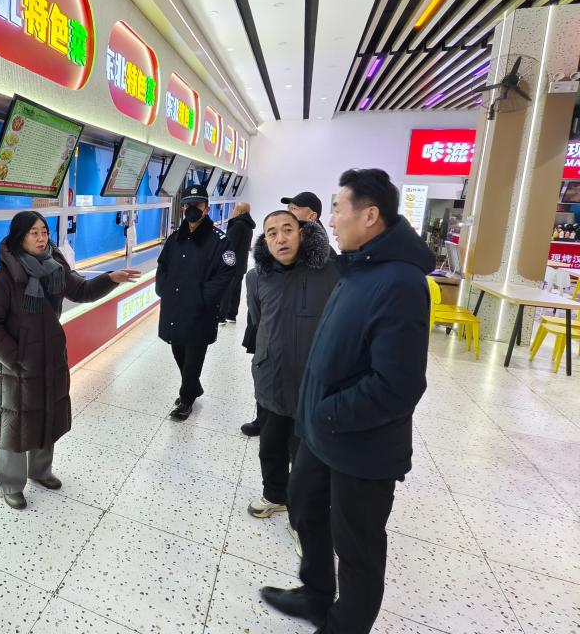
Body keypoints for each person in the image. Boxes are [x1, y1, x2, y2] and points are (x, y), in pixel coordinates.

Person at [261, 169, 435, 634]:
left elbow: (399, 385)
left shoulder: (400, 282)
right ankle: (316, 593)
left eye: (338, 209)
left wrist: (326, 413)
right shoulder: (358, 267)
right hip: (323, 433)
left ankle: (345, 625)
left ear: (370, 215)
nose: (331, 219)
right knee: (304, 506)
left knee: (357, 546)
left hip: (362, 443)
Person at [0, 211, 140, 510]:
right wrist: (15, 360)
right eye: (34, 233)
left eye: (44, 232)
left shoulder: (54, 267)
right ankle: (9, 484)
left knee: (46, 416)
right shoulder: (3, 278)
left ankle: (40, 471)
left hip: (49, 357)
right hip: (15, 368)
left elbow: (81, 290)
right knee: (14, 426)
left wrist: (110, 279)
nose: (41, 238)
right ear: (19, 237)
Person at [245, 212, 337, 521]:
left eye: (287, 230)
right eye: (272, 233)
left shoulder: (331, 272)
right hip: (271, 375)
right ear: (265, 240)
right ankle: (274, 495)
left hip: (312, 382)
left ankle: (303, 517)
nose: (280, 238)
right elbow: (258, 320)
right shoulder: (256, 277)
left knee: (305, 454)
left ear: (302, 234)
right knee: (270, 446)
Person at [156, 183, 235, 421]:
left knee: (193, 358)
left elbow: (225, 274)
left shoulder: (220, 241)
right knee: (177, 349)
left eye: (197, 205)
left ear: (206, 208)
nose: (191, 209)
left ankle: (187, 399)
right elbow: (163, 266)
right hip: (174, 307)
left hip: (200, 311)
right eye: (187, 205)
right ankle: (194, 386)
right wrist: (163, 290)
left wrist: (203, 298)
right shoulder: (175, 239)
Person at [218, 202, 256, 324]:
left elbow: (229, 245)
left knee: (227, 290)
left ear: (239, 210)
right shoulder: (248, 225)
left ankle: (221, 316)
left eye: (235, 208)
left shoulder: (238, 225)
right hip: (241, 263)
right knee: (235, 290)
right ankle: (231, 315)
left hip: (232, 263)